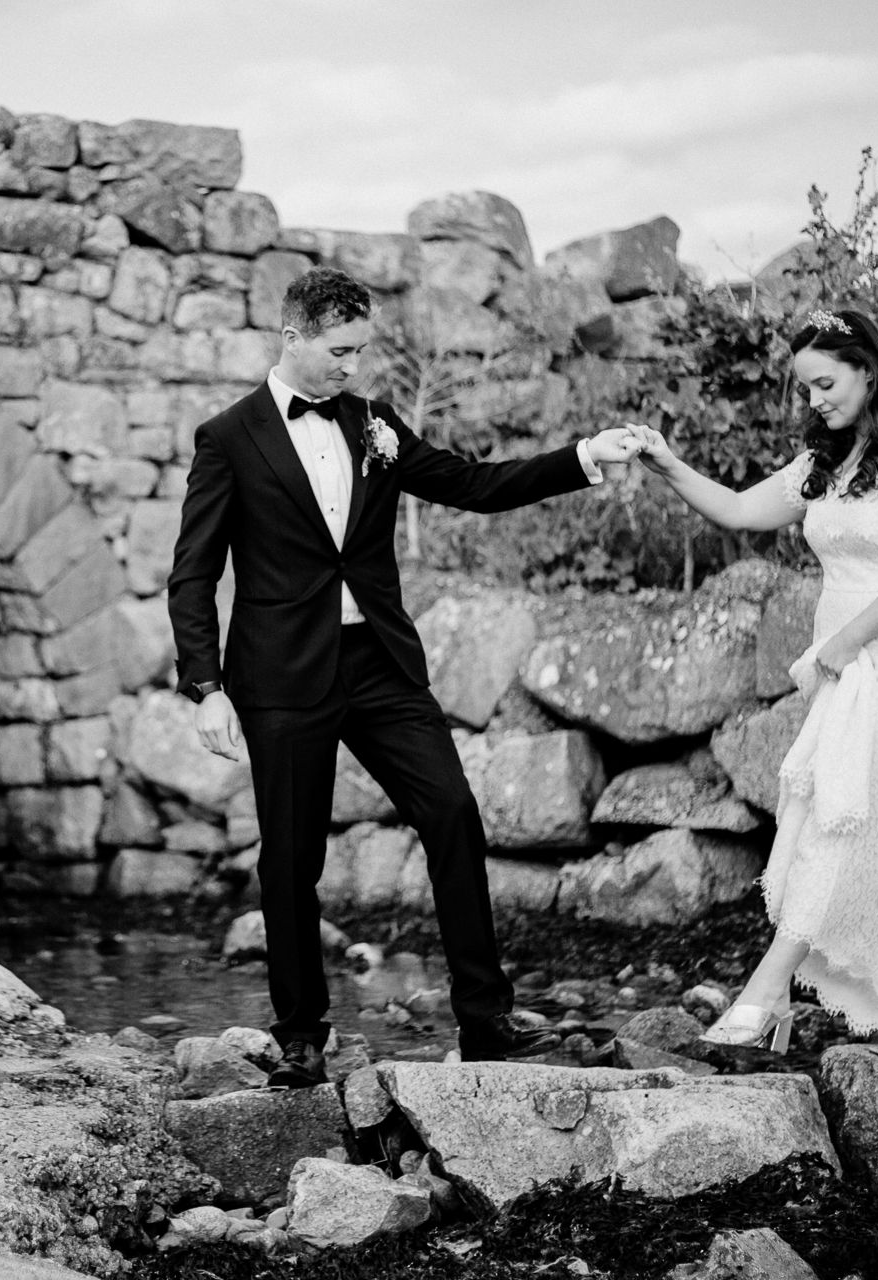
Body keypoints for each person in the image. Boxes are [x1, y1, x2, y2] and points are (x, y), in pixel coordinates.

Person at [167, 267, 645, 1085]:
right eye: (340, 351)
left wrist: (582, 456)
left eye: (361, 351)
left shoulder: (376, 425)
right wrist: (207, 689)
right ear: (294, 337)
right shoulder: (228, 438)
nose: (352, 368)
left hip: (380, 664)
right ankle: (301, 1038)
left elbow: (474, 486)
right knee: (290, 858)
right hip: (282, 676)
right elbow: (192, 574)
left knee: (452, 811)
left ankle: (486, 1020)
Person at [627, 307, 878, 1060]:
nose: (814, 399)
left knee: (855, 819)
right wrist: (667, 463)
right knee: (852, 816)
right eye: (805, 389)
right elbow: (739, 510)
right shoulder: (825, 461)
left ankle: (766, 989)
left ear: (866, 368)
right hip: (848, 663)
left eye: (825, 383)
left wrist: (842, 645)